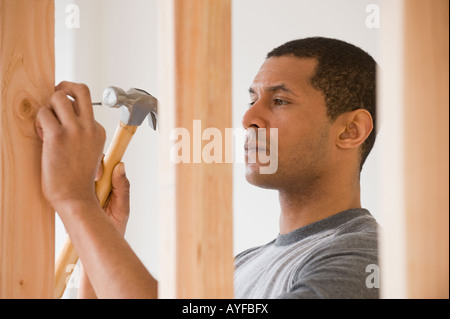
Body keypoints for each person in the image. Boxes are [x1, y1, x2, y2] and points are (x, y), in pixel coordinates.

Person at [35, 37, 379, 299]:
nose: (248, 118)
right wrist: (101, 229)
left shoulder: (364, 256)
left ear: (350, 130)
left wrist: (75, 201)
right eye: (252, 100)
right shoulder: (240, 266)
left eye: (279, 101)